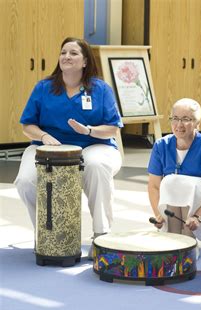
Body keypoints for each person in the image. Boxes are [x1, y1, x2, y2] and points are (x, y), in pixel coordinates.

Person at [14, 37, 123, 258]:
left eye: (73, 53)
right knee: (25, 181)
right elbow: (28, 125)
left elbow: (112, 129)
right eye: (63, 52)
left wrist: (89, 131)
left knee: (96, 166)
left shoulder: (100, 89)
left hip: (95, 144)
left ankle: (101, 236)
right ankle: (47, 234)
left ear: (85, 61)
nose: (66, 57)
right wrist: (44, 136)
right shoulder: (44, 87)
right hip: (47, 147)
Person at [147, 98, 201, 251]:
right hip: (180, 194)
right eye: (175, 118)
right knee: (170, 182)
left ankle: (188, 243)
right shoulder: (161, 146)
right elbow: (153, 186)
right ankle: (172, 240)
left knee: (190, 185)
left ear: (198, 123)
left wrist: (198, 217)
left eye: (186, 119)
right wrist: (158, 214)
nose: (179, 124)